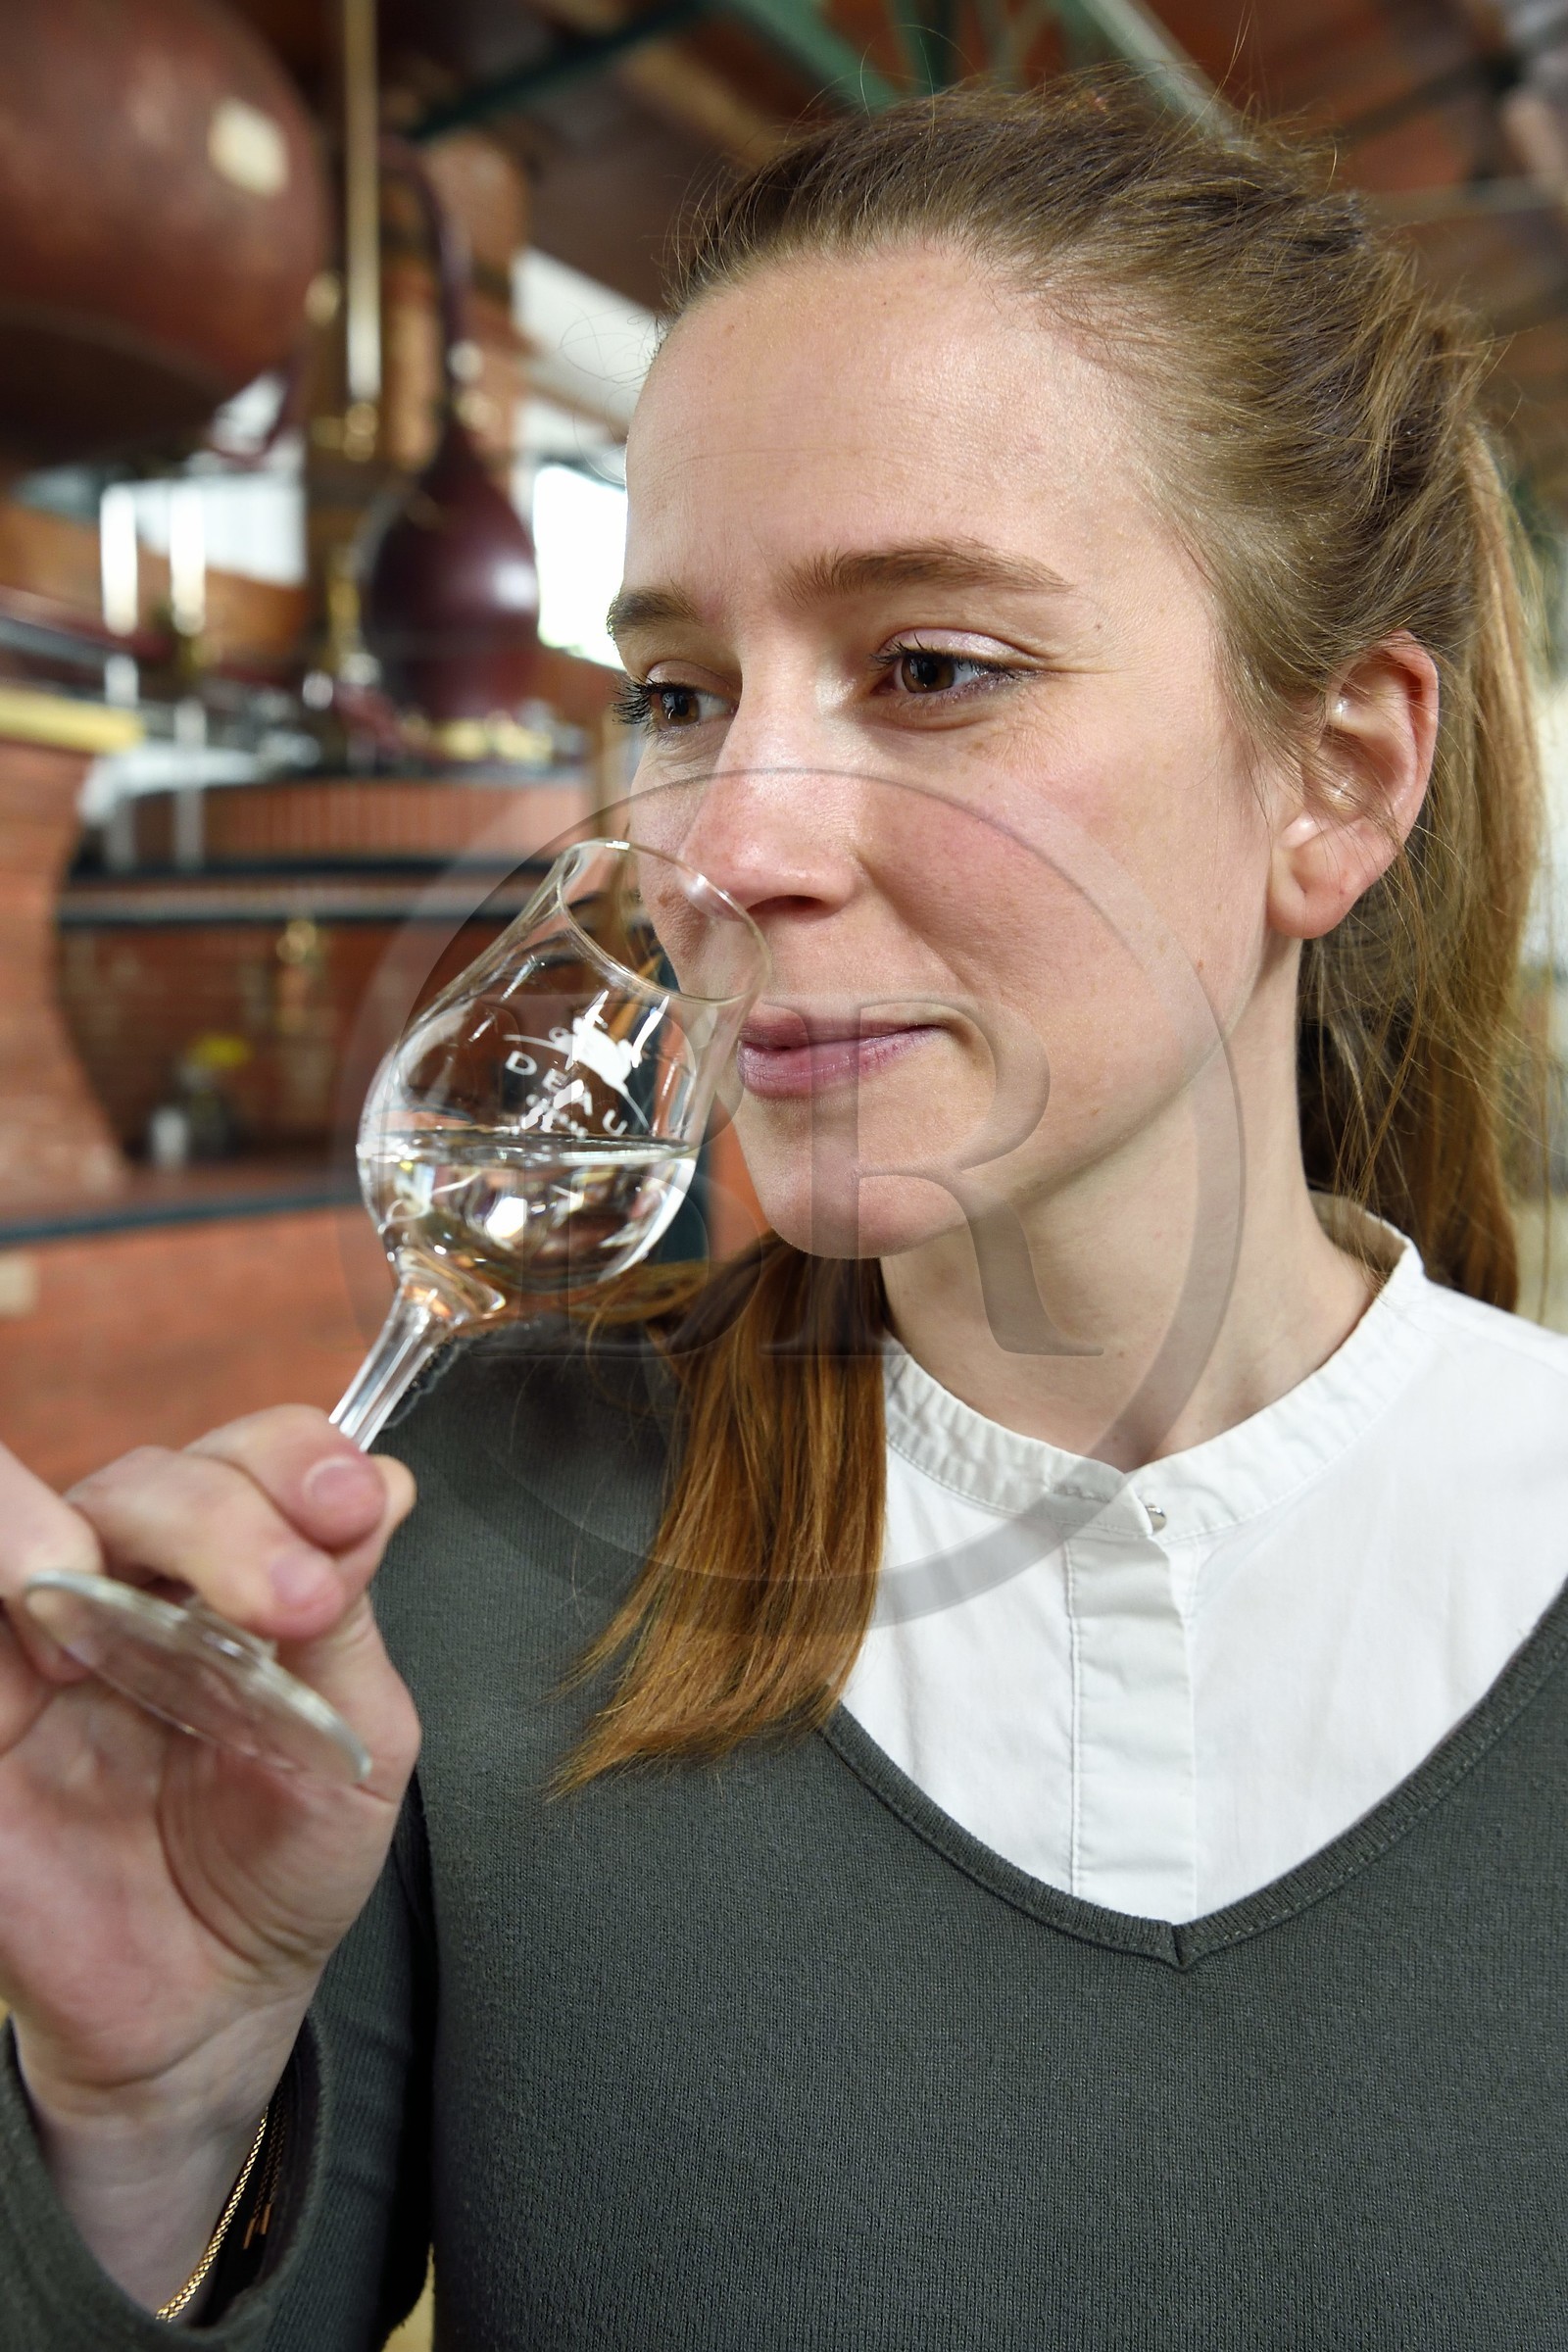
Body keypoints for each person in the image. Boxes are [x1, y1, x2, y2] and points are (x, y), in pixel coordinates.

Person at [2, 74, 1566, 2348]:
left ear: (1331, 778)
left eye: (931, 669)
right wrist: (130, 2123)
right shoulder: (451, 1568)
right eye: (672, 688)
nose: (726, 843)